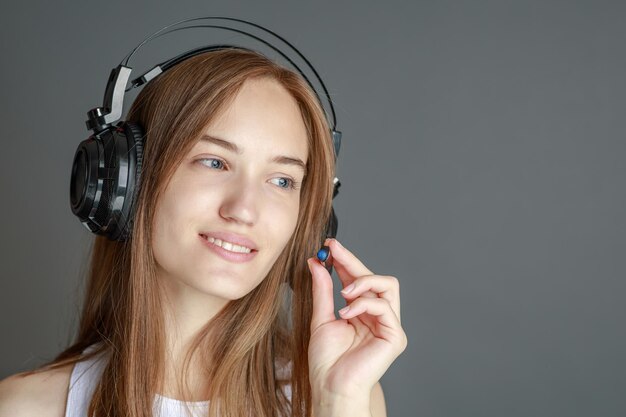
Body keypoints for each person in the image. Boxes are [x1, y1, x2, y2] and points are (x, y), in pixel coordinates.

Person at [0, 47, 407, 417]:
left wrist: (338, 402)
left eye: (282, 181)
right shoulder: (25, 408)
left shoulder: (344, 397)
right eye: (214, 162)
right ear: (129, 182)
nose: (245, 210)